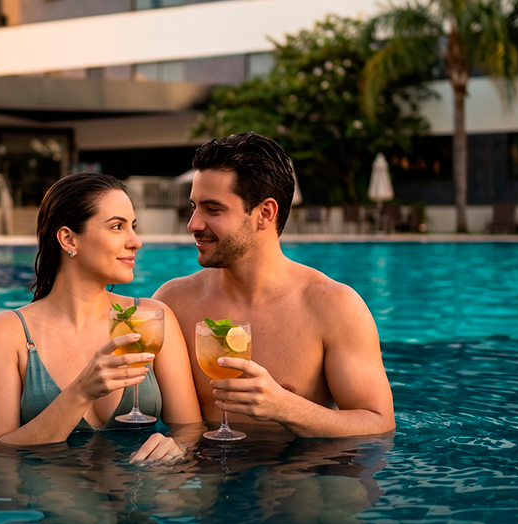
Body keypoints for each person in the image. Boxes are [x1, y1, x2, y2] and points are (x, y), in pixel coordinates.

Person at [154, 132, 396, 439]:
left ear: (265, 213)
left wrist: (284, 407)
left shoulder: (333, 306)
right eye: (194, 207)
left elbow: (380, 423)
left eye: (212, 209)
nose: (193, 224)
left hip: (299, 475)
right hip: (206, 471)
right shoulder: (174, 302)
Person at [0, 173, 201, 459]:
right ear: (68, 239)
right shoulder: (5, 334)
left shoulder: (153, 319)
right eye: (117, 226)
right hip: (50, 496)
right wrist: (81, 392)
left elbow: (191, 431)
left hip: (141, 496)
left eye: (133, 226)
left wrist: (177, 445)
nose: (136, 241)